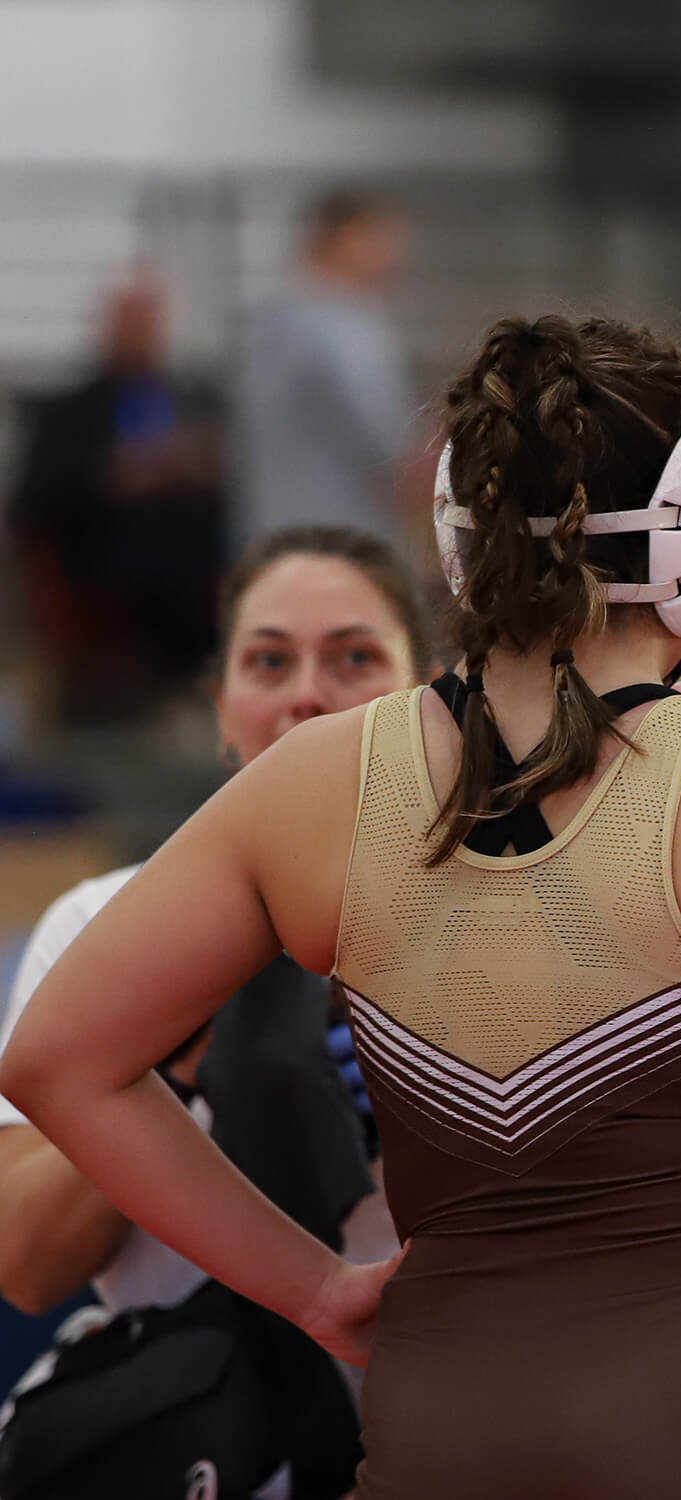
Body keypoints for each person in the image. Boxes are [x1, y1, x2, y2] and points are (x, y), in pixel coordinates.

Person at [0, 315, 681, 1499]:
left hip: (442, 1431)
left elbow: (57, 1061)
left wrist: (313, 1286)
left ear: (458, 530)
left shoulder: (313, 787)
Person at [0, 525, 425, 1497]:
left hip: (436, 1434)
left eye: (355, 657)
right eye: (268, 660)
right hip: (205, 1443)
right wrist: (166, 1051)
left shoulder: (499, 915)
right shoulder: (105, 926)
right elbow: (24, 1262)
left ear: (426, 691)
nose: (307, 693)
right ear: (224, 705)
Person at [7, 273, 225, 719]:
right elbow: (32, 497)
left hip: (199, 555)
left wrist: (197, 465)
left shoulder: (195, 398)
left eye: (149, 322)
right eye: (129, 321)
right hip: (104, 562)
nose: (141, 334)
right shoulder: (68, 412)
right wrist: (116, 474)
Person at [234, 189, 414, 548]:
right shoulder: (342, 327)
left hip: (274, 534)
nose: (395, 258)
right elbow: (387, 443)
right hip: (341, 540)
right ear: (345, 238)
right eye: (383, 240)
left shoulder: (269, 321)